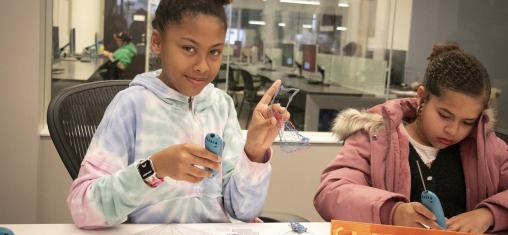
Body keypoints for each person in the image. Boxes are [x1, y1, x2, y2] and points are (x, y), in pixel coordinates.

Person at [68, 0, 290, 229]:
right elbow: (83, 208)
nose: (203, 66)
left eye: (214, 52)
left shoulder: (221, 106)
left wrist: (253, 153)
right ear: (157, 42)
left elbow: (243, 211)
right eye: (188, 48)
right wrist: (154, 168)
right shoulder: (132, 106)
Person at [314, 42, 508, 233]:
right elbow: (330, 193)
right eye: (444, 115)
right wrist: (392, 212)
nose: (453, 130)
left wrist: (489, 214)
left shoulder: (489, 149)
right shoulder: (375, 137)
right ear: (421, 97)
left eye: (467, 122)